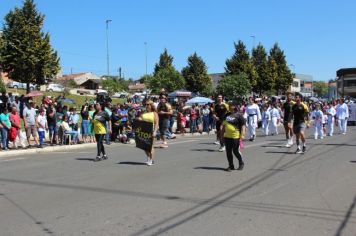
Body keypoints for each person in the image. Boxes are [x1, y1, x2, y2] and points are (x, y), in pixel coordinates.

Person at [222, 103, 246, 172]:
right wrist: (222, 135)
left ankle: (241, 163)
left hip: (235, 136)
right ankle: (231, 165)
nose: (231, 107)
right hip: (227, 136)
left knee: (235, 151)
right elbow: (223, 125)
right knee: (228, 152)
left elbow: (243, 126)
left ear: (235, 107)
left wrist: (243, 135)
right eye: (230, 106)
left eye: (232, 106)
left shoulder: (239, 115)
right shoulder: (226, 115)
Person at [138, 100, 159, 166]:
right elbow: (139, 119)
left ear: (151, 105)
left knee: (151, 146)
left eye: (148, 104)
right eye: (146, 104)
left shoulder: (154, 113)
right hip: (143, 131)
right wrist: (139, 119)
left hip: (151, 131)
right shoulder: (143, 113)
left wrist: (155, 131)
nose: (146, 106)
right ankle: (149, 158)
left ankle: (151, 160)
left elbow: (156, 123)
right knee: (144, 147)